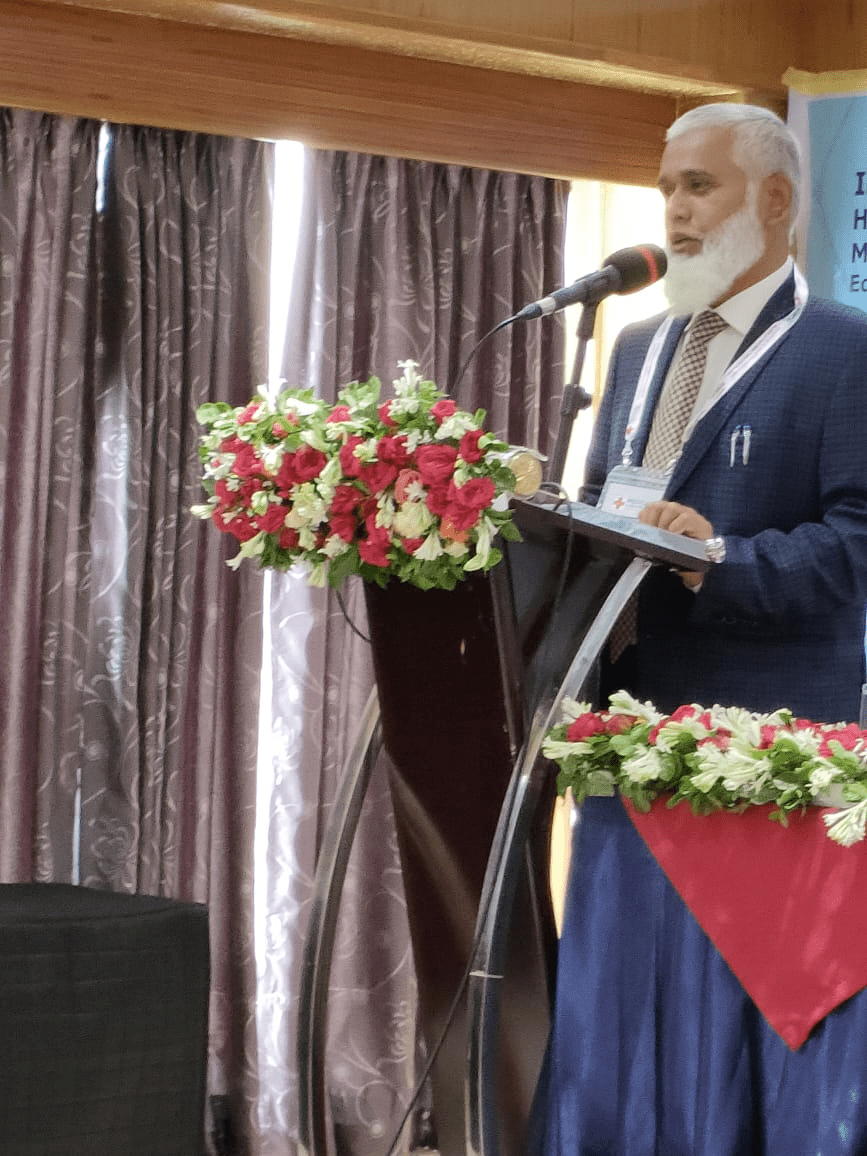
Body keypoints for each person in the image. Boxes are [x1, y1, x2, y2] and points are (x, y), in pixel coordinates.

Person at [586, 101, 867, 724]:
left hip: (756, 729)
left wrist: (714, 559)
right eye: (667, 189)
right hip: (615, 705)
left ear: (775, 199)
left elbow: (857, 543)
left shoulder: (848, 350)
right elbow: (600, 498)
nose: (676, 210)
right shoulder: (635, 344)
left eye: (699, 185)